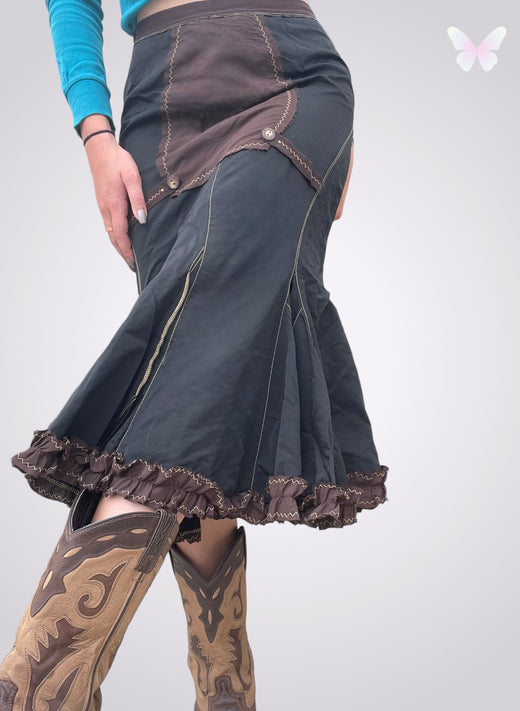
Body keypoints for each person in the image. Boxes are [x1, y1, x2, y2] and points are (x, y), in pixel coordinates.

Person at [0, 0, 389, 709]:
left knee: (198, 362)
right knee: (205, 380)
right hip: (161, 103)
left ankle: (32, 691)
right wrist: (95, 133)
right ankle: (225, 690)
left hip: (291, 77)